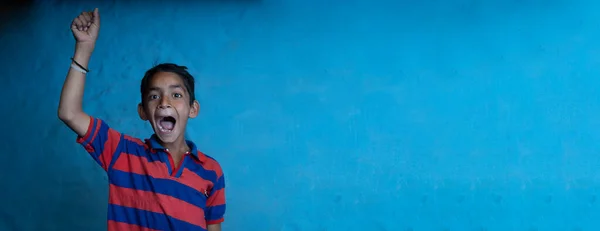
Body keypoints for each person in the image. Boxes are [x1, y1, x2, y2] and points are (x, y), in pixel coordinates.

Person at [58, 8, 226, 231]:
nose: (164, 102)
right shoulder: (121, 152)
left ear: (192, 109)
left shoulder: (211, 170)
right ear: (143, 111)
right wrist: (84, 48)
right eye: (154, 96)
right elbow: (69, 113)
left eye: (176, 95)